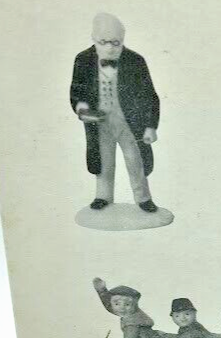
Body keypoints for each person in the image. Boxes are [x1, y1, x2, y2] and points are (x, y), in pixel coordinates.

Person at [70, 13, 160, 212]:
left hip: (129, 122)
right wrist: (82, 108)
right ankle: (103, 195)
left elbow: (150, 96)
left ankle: (143, 198)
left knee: (135, 160)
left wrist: (150, 126)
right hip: (98, 121)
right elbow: (77, 90)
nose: (110, 48)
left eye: (115, 43)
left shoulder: (135, 61)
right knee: (103, 160)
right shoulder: (83, 60)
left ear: (122, 40)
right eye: (103, 42)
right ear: (94, 39)